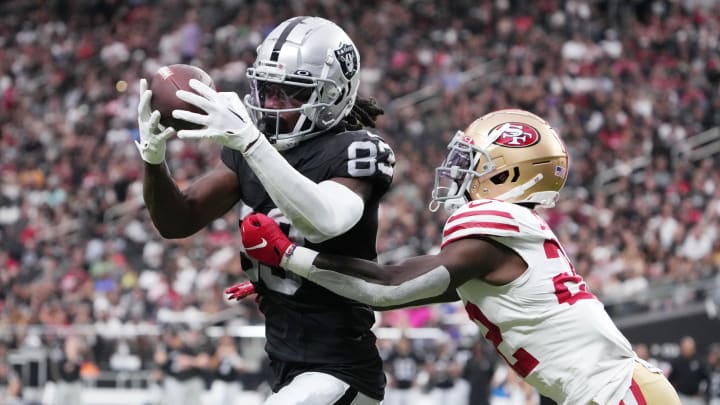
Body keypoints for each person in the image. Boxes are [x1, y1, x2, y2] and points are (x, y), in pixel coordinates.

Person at [237, 109, 682, 404]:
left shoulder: (492, 231)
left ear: (507, 174)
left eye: (473, 163)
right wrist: (283, 283)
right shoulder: (505, 238)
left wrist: (290, 256)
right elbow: (394, 291)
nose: (457, 172)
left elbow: (388, 288)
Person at [136, 16, 394, 405]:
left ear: (334, 94)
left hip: (339, 370)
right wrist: (154, 159)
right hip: (288, 365)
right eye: (268, 89)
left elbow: (325, 220)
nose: (272, 103)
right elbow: (178, 221)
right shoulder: (250, 150)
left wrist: (251, 144)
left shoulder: (354, 150)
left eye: (290, 93)